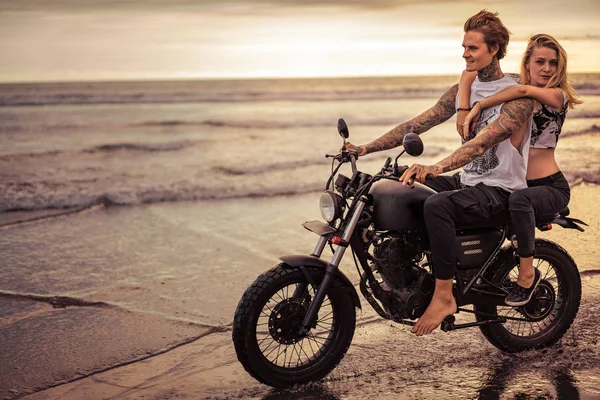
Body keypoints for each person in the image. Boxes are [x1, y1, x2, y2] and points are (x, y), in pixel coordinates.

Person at [346, 10, 534, 336]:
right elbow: (420, 122)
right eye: (464, 47)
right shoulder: (465, 88)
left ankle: (444, 295)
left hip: (501, 188)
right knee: (398, 182)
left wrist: (435, 167)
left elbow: (480, 144)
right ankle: (408, 271)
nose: (465, 53)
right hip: (469, 180)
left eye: (473, 48)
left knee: (437, 205)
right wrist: (365, 148)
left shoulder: (517, 93)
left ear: (495, 49)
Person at [457, 34, 583, 306]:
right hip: (514, 181)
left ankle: (527, 274)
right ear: (527, 62)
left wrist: (479, 105)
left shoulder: (556, 95)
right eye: (540, 62)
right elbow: (470, 75)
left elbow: (523, 92)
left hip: (548, 187)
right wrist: (462, 108)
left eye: (553, 63)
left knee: (518, 200)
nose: (547, 69)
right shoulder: (513, 85)